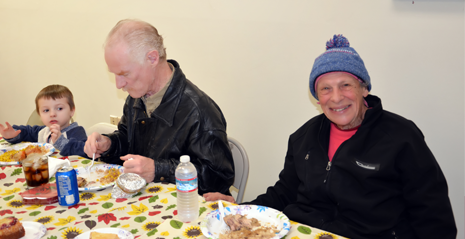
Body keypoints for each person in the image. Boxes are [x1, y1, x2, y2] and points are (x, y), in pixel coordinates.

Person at [204, 35, 457, 238]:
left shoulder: (402, 137)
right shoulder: (303, 136)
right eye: (326, 89)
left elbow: (432, 216)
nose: (336, 98)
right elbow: (284, 193)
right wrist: (238, 208)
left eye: (346, 85)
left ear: (364, 89)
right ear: (317, 97)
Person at [84, 19, 234, 195]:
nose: (118, 84)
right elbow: (129, 143)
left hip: (184, 211)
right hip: (145, 202)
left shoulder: (198, 110)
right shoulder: (137, 96)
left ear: (152, 58)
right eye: (115, 74)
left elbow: (218, 179)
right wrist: (109, 145)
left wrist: (158, 170)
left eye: (124, 73)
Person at [0, 84, 87, 157]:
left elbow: (86, 152)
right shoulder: (43, 131)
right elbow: (26, 132)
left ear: (72, 111)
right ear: (39, 114)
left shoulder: (77, 132)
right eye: (46, 110)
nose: (52, 114)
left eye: (59, 108)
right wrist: (13, 135)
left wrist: (61, 141)